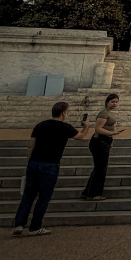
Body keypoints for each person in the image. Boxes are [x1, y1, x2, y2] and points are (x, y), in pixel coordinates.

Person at [12, 101, 91, 236]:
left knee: (28, 195)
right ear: (63, 113)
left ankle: (19, 225)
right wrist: (87, 126)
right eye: (67, 112)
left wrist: (30, 162)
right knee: (44, 197)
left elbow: (31, 145)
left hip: (34, 163)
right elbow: (81, 137)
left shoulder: (40, 125)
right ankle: (35, 227)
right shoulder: (65, 127)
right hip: (50, 165)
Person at [81, 94, 125, 201]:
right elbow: (98, 129)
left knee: (99, 168)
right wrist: (113, 133)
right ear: (107, 102)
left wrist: (110, 140)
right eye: (112, 102)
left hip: (104, 141)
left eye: (116, 102)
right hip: (99, 141)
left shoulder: (108, 113)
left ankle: (88, 192)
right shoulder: (104, 113)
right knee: (100, 169)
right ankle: (94, 194)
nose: (115, 104)